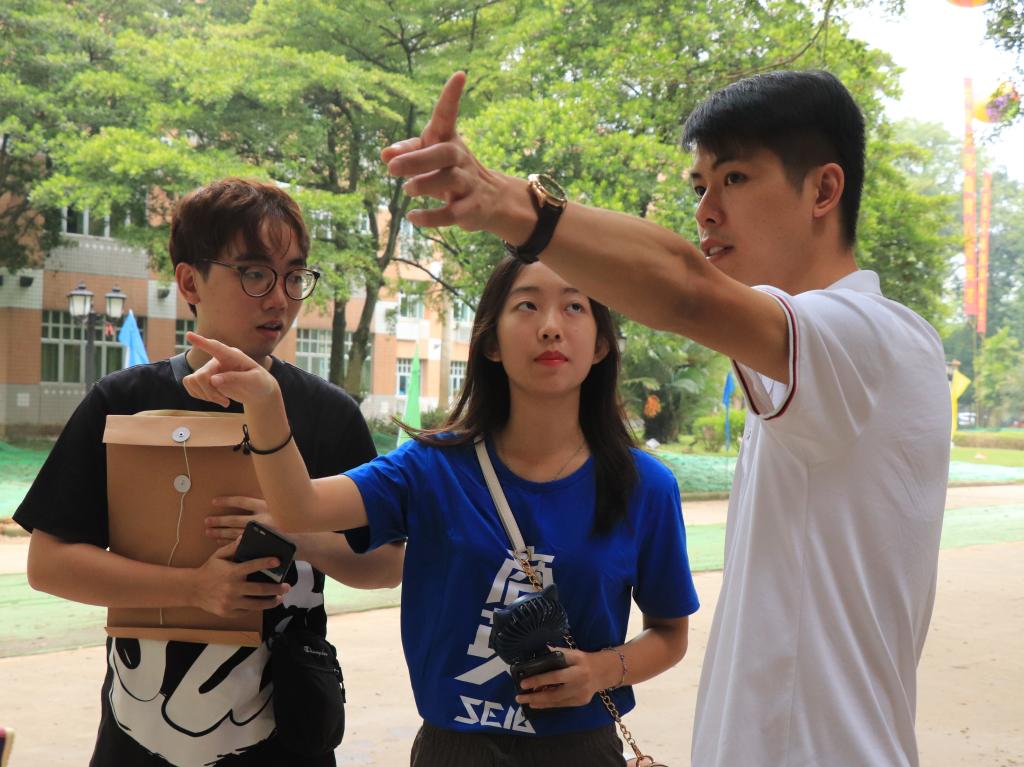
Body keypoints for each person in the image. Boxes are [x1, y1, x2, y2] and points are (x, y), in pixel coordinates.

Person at [381, 70, 952, 766]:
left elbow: (685, 289)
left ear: (823, 191)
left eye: (735, 178)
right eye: (699, 186)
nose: (706, 211)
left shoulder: (862, 337)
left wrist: (508, 205)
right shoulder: (827, 365)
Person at [181, 255, 700, 766]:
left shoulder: (644, 487)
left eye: (574, 307)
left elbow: (670, 633)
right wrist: (265, 404)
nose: (550, 327)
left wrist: (601, 671)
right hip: (452, 750)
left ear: (601, 343)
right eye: (526, 305)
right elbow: (299, 507)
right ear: (491, 342)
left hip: (582, 750)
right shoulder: (430, 468)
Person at [14, 178, 403, 767]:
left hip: (287, 732)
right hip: (141, 733)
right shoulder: (123, 402)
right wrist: (194, 588)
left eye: (294, 275)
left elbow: (385, 565)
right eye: (255, 273)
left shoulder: (328, 414)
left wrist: (296, 530)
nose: (279, 298)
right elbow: (49, 564)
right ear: (190, 281)